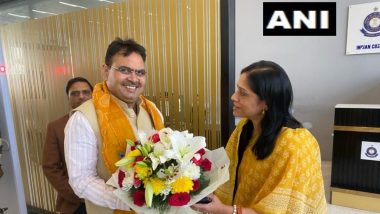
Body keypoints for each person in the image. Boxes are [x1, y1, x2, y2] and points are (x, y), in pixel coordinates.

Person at [192, 60, 327, 213]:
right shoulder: (244, 127)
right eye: (237, 90)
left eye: (243, 93)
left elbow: (282, 210)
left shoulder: (296, 144)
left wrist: (224, 209)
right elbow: (227, 172)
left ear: (266, 103)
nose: (233, 97)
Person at [64, 38, 164, 214]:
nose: (134, 79)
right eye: (124, 70)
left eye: (140, 73)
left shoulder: (152, 110)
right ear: (105, 70)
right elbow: (81, 181)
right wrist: (132, 201)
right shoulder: (83, 118)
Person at [42, 77, 93, 214]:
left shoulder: (105, 123)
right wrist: (75, 195)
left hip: (107, 201)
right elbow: (50, 167)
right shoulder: (56, 127)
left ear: (93, 95)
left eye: (86, 92)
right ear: (68, 98)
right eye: (75, 93)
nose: (81, 97)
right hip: (76, 203)